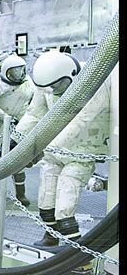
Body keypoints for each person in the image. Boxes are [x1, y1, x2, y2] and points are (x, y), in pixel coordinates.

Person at [16, 50, 111, 247]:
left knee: (65, 208)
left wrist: (39, 148)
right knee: (46, 200)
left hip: (80, 152)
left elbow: (79, 122)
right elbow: (34, 113)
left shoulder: (95, 82)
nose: (53, 89)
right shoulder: (50, 82)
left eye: (57, 85)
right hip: (54, 153)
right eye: (48, 86)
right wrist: (16, 141)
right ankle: (51, 238)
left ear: (71, 75)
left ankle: (77, 257)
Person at [0, 54, 35, 206]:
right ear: (6, 71)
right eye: (14, 72)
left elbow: (32, 102)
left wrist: (24, 120)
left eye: (21, 71)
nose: (18, 75)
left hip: (20, 126)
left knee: (19, 161)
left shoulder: (28, 83)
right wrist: (5, 117)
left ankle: (21, 195)